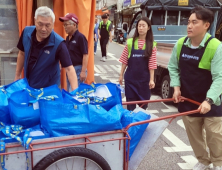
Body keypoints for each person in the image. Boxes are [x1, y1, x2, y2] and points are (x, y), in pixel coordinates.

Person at [168, 6, 222, 170]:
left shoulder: (215, 46)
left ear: (206, 25)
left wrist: (208, 100)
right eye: (189, 22)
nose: (189, 26)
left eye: (194, 22)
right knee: (194, 136)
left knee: (215, 136)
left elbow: (220, 77)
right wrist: (176, 88)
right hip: (188, 100)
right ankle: (203, 161)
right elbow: (173, 67)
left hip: (211, 103)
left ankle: (219, 163)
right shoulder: (180, 44)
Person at [15, 6, 78, 90]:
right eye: (40, 24)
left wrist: (75, 93)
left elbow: (69, 69)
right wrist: (17, 75)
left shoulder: (59, 43)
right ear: (35, 20)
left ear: (53, 24)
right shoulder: (27, 32)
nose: (43, 29)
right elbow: (22, 53)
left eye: (48, 25)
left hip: (49, 89)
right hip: (29, 84)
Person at [118, 17, 157, 111]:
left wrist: (151, 80)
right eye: (139, 26)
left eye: (143, 26)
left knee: (143, 106)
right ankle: (131, 125)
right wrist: (121, 76)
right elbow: (124, 61)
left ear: (148, 28)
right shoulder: (130, 42)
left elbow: (152, 64)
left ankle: (140, 124)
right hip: (130, 80)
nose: (141, 28)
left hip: (144, 81)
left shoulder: (151, 45)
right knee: (130, 106)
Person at [59, 13, 88, 90]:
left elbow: (85, 55)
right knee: (70, 91)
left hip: (78, 69)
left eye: (66, 25)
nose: (64, 27)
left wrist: (83, 71)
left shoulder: (80, 37)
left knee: (75, 92)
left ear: (74, 25)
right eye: (64, 25)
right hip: (69, 69)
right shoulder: (67, 38)